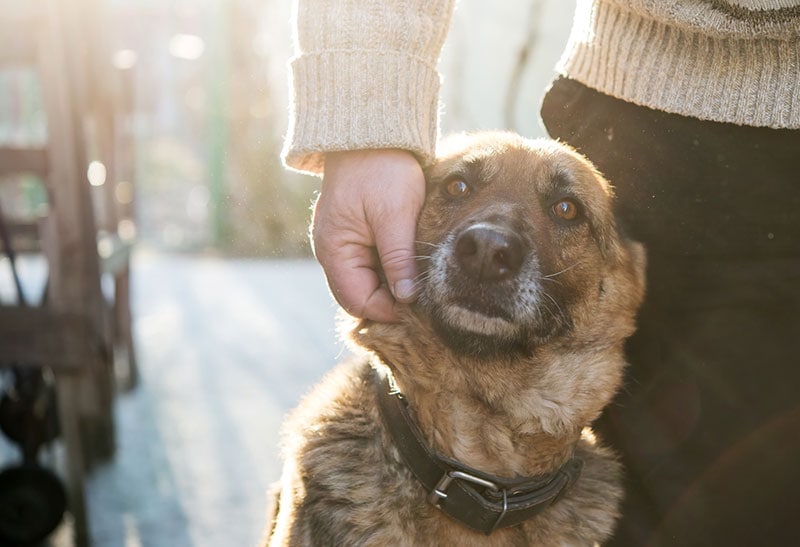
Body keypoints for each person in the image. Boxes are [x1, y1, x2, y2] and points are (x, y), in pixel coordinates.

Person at [282, 1, 800, 545]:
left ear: (623, 282)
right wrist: (366, 120)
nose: (490, 242)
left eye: (565, 211)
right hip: (641, 111)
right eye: (458, 189)